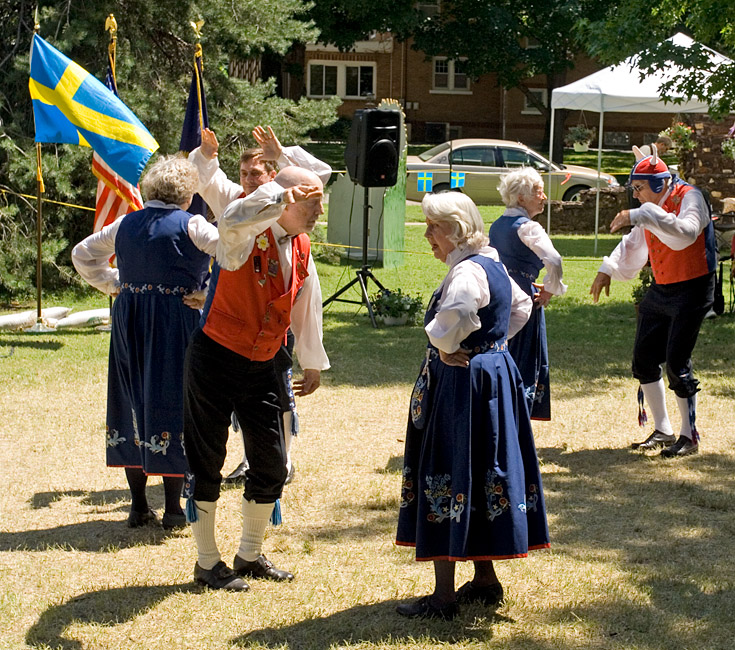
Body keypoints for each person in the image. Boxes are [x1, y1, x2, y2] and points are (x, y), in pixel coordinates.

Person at [395, 191, 550, 621]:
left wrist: (446, 343)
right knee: (482, 468)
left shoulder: (467, 272)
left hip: (462, 383)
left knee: (447, 468)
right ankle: (485, 579)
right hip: (492, 379)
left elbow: (459, 310)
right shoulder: (494, 262)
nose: (428, 236)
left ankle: (444, 597)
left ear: (457, 230)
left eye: (433, 228)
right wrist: (494, 347)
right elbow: (520, 307)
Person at [183, 165, 329, 592]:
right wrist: (278, 197)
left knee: (272, 463)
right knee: (207, 459)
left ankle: (248, 554)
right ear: (285, 200)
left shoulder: (301, 245)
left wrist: (311, 360)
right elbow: (230, 220)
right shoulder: (242, 234)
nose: (320, 209)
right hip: (215, 356)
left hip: (264, 362)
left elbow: (306, 301)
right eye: (312, 200)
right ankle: (207, 562)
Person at [72, 156, 218, 529]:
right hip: (174, 319)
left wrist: (116, 283)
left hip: (130, 319)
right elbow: (231, 255)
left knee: (132, 398)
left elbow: (82, 254)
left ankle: (138, 505)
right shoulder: (194, 225)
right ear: (187, 194)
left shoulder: (125, 223)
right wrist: (206, 292)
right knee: (171, 399)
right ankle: (171, 509)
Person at [189, 126, 332, 485]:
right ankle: (246, 464)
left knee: (275, 398)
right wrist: (207, 155)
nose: (250, 179)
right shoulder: (236, 203)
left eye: (257, 173)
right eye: (244, 173)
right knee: (225, 410)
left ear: (273, 177)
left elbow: (305, 299)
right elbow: (220, 210)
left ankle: (276, 462)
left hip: (272, 334)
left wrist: (311, 361)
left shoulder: (299, 238)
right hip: (229, 333)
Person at [590, 144, 716, 457]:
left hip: (693, 287)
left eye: (639, 188)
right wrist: (608, 269)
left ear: (659, 184)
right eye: (633, 188)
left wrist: (644, 213)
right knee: (644, 359)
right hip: (662, 287)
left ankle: (689, 436)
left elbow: (685, 233)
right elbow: (634, 242)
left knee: (676, 362)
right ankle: (663, 429)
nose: (635, 195)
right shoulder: (652, 206)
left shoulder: (690, 197)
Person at [489, 167, 567, 420]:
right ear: (521, 197)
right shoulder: (528, 228)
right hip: (523, 297)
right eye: (538, 192)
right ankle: (515, 424)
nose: (544, 197)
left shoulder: (497, 226)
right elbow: (554, 259)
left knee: (500, 354)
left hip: (498, 295)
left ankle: (497, 415)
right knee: (524, 360)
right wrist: (551, 289)